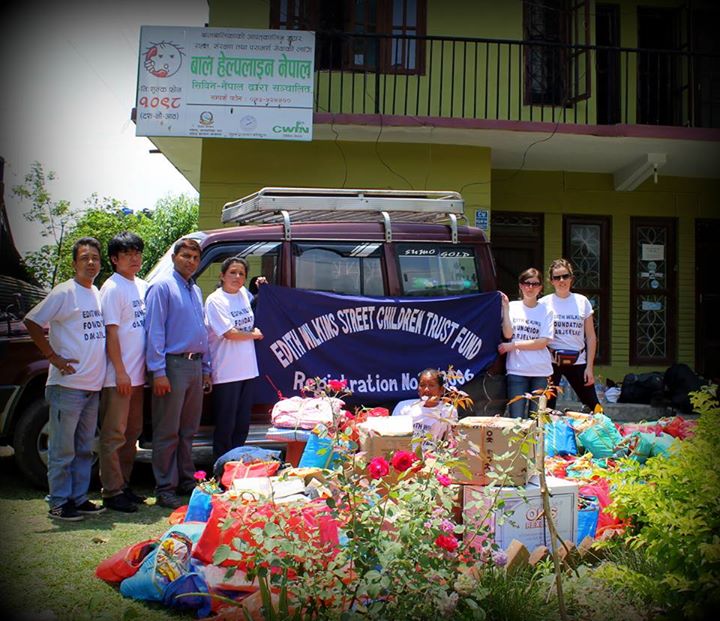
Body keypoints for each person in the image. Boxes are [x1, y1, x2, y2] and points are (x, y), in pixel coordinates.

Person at [24, 237, 107, 521]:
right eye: (84, 258)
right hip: (67, 386)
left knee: (84, 448)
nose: (91, 262)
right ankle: (59, 502)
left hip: (92, 387)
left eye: (95, 257)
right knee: (63, 449)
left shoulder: (95, 292)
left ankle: (79, 497)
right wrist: (52, 356)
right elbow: (32, 321)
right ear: (74, 263)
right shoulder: (64, 292)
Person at [145, 238, 211, 509]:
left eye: (195, 258)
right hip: (172, 366)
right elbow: (154, 332)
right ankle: (165, 488)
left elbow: (203, 332)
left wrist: (206, 368)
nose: (190, 262)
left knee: (188, 430)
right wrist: (158, 371)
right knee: (167, 431)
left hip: (195, 366)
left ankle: (186, 479)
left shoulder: (195, 290)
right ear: (174, 257)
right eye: (185, 256)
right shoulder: (162, 287)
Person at [98, 232, 148, 513]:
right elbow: (111, 332)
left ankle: (124, 485)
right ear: (115, 259)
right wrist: (120, 371)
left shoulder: (142, 286)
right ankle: (111, 491)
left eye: (137, 252)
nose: (134, 258)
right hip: (119, 377)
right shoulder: (113, 287)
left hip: (138, 376)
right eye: (127, 254)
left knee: (132, 434)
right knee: (114, 434)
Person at [205, 257, 264, 461]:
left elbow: (256, 303)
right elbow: (229, 333)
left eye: (241, 274)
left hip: (248, 370)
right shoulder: (215, 300)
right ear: (222, 275)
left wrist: (260, 288)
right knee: (225, 425)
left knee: (241, 425)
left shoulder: (243, 295)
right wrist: (254, 335)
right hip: (226, 371)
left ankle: (236, 467)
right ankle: (221, 466)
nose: (237, 277)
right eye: (232, 272)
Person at [539, 258, 599, 411]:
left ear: (571, 278)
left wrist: (589, 367)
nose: (561, 280)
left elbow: (591, 337)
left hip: (578, 360)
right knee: (546, 409)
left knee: (594, 407)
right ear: (551, 281)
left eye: (565, 276)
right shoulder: (544, 303)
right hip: (551, 361)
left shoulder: (582, 301)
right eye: (557, 277)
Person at [498, 268, 554, 418]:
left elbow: (542, 342)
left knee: (537, 419)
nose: (530, 287)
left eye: (535, 284)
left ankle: (535, 443)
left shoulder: (547, 310)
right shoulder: (513, 307)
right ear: (520, 286)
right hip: (517, 371)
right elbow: (508, 334)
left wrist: (514, 345)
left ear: (540, 288)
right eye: (526, 283)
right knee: (516, 420)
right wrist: (505, 308)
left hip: (541, 372)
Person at [392, 368, 457, 447]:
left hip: (434, 457)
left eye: (431, 385)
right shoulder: (404, 408)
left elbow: (450, 441)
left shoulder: (448, 410)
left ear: (441, 390)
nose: (426, 389)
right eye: (422, 385)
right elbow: (394, 439)